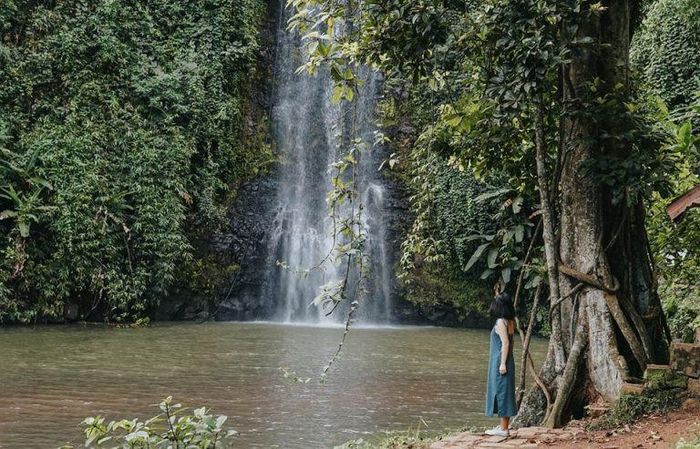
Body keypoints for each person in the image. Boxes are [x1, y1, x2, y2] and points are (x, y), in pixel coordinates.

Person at [484, 292, 517, 437]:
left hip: (500, 360)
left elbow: (505, 343)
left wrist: (502, 364)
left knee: (502, 392)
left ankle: (503, 430)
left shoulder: (500, 322)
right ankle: (503, 426)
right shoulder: (510, 321)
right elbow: (511, 344)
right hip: (508, 360)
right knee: (505, 392)